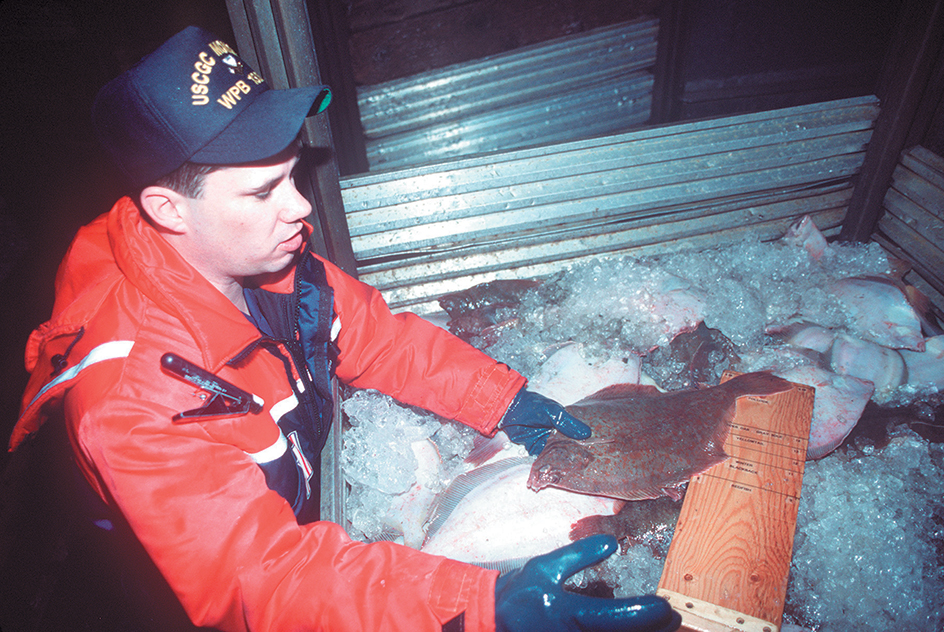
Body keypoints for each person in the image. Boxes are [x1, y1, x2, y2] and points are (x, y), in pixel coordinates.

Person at [9, 26, 680, 632]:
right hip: (176, 593)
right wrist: (474, 605)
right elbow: (260, 577)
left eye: (293, 176)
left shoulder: (269, 268)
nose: (301, 206)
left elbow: (378, 338)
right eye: (262, 191)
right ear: (169, 209)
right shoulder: (131, 403)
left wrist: (498, 399)